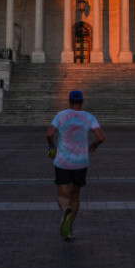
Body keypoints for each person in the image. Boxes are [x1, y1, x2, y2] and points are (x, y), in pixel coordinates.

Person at [46, 89, 105, 241]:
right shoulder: (89, 117)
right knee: (75, 195)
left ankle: (66, 210)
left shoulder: (61, 115)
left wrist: (52, 147)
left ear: (69, 101)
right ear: (82, 102)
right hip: (81, 162)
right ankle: (69, 228)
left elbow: (49, 133)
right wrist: (94, 145)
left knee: (62, 195)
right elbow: (101, 137)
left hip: (63, 161)